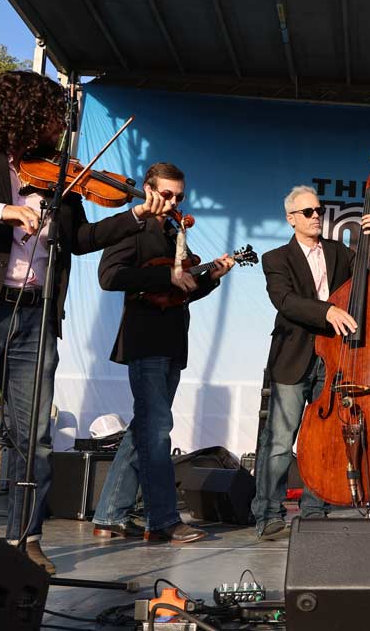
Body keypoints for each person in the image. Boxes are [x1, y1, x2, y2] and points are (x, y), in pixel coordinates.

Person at [0, 70, 170, 573]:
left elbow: (79, 240)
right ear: (26, 111)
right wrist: (2, 211)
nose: (61, 126)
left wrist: (136, 216)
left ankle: (26, 540)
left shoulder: (61, 176)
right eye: (55, 115)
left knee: (33, 438)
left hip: (35, 316)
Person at [91, 162, 235, 544]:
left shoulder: (176, 232)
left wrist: (211, 279)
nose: (173, 202)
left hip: (172, 341)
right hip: (144, 340)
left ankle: (109, 514)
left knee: (144, 429)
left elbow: (180, 292)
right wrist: (163, 275)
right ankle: (163, 521)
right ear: (149, 190)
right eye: (167, 194)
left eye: (179, 196)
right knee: (156, 430)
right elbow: (109, 276)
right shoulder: (132, 227)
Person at [252, 185, 370, 540]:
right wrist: (327, 311)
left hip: (335, 357)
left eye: (319, 211)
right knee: (280, 440)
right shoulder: (275, 258)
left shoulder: (339, 252)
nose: (316, 217)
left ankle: (315, 509)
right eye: (308, 212)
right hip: (293, 357)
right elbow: (285, 301)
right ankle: (267, 513)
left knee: (324, 439)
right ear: (291, 218)